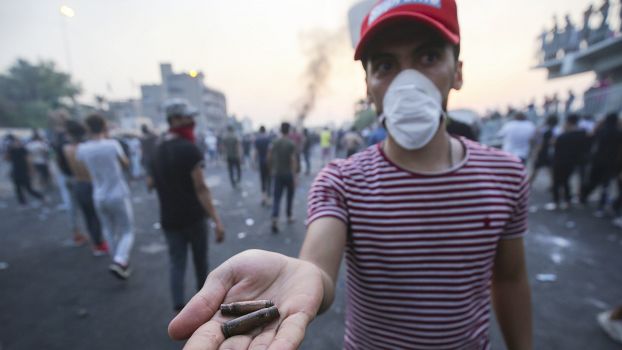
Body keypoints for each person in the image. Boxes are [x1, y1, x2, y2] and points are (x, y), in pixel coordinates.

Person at [169, 2, 533, 349]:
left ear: (458, 72)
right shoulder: (341, 181)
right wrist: (304, 277)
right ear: (369, 86)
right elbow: (318, 270)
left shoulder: (506, 174)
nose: (407, 83)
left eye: (428, 57)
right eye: (386, 65)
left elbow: (510, 279)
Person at [148, 99, 225, 312]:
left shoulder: (157, 149)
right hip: (193, 217)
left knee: (176, 263)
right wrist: (216, 220)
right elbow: (201, 187)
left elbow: (151, 183)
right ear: (174, 119)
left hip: (169, 218)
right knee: (200, 262)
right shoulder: (189, 149)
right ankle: (203, 305)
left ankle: (179, 308)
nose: (192, 121)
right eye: (187, 117)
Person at [77, 114, 135, 279]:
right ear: (104, 126)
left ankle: (117, 261)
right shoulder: (112, 144)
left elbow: (82, 170)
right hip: (118, 193)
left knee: (109, 230)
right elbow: (125, 163)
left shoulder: (83, 148)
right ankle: (120, 260)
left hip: (98, 194)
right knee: (127, 230)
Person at [63, 120, 108, 255]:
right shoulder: (87, 147)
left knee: (88, 215)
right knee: (96, 216)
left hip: (78, 184)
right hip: (91, 183)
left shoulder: (67, 149)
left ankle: (96, 243)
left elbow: (66, 169)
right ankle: (100, 243)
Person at [580, 112, 622, 216]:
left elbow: (591, 136)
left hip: (597, 160)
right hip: (611, 162)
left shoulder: (601, 130)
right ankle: (601, 207)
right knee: (605, 185)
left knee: (592, 181)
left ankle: (583, 197)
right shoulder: (618, 132)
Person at [549, 114, 589, 210]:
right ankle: (567, 201)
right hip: (572, 161)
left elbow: (553, 143)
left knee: (556, 182)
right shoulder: (582, 134)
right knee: (566, 181)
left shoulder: (563, 135)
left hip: (559, 161)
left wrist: (562, 131)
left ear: (568, 122)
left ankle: (556, 202)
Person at [268, 122, 297, 233]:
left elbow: (269, 156)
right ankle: (289, 216)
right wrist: (295, 176)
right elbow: (293, 160)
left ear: (280, 130)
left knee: (277, 197)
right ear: (288, 130)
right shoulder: (291, 143)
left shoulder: (275, 142)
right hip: (288, 174)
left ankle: (275, 218)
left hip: (278, 174)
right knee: (289, 196)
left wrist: (271, 168)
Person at [4, 134, 45, 207]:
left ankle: (41, 197)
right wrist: (8, 150)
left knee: (29, 188)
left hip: (24, 172)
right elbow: (6, 159)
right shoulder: (11, 150)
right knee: (18, 189)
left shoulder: (23, 149)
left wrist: (31, 170)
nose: (15, 143)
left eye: (16, 141)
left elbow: (28, 160)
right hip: (16, 172)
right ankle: (23, 203)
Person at [529, 115, 558, 184]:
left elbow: (539, 143)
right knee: (551, 171)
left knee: (535, 170)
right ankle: (554, 184)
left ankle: (528, 184)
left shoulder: (543, 130)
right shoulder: (557, 130)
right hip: (552, 153)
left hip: (542, 153)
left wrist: (536, 153)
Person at [254, 126, 272, 206]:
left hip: (261, 162)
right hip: (268, 162)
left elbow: (256, 152)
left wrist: (254, 162)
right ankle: (268, 198)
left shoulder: (257, 140)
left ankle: (263, 197)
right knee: (269, 180)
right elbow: (270, 151)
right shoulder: (268, 139)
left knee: (263, 180)